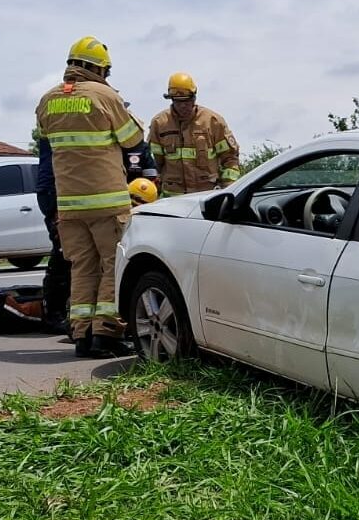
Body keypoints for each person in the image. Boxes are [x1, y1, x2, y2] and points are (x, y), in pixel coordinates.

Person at [34, 36, 152, 359]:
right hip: (107, 202)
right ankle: (106, 334)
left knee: (82, 268)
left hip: (69, 205)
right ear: (95, 68)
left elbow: (48, 142)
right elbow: (133, 140)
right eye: (105, 71)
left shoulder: (47, 101)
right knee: (112, 265)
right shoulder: (105, 96)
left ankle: (82, 335)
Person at [147, 72, 241, 196]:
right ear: (171, 100)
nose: (183, 106)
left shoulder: (212, 122)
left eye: (187, 101)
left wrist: (228, 190)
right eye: (178, 102)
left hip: (206, 197)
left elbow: (230, 158)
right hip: (172, 200)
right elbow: (156, 163)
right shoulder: (159, 124)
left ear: (194, 98)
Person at [33, 132, 71, 336]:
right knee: (63, 255)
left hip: (56, 190)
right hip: (56, 192)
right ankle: (54, 314)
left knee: (66, 255)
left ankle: (57, 312)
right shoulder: (63, 123)